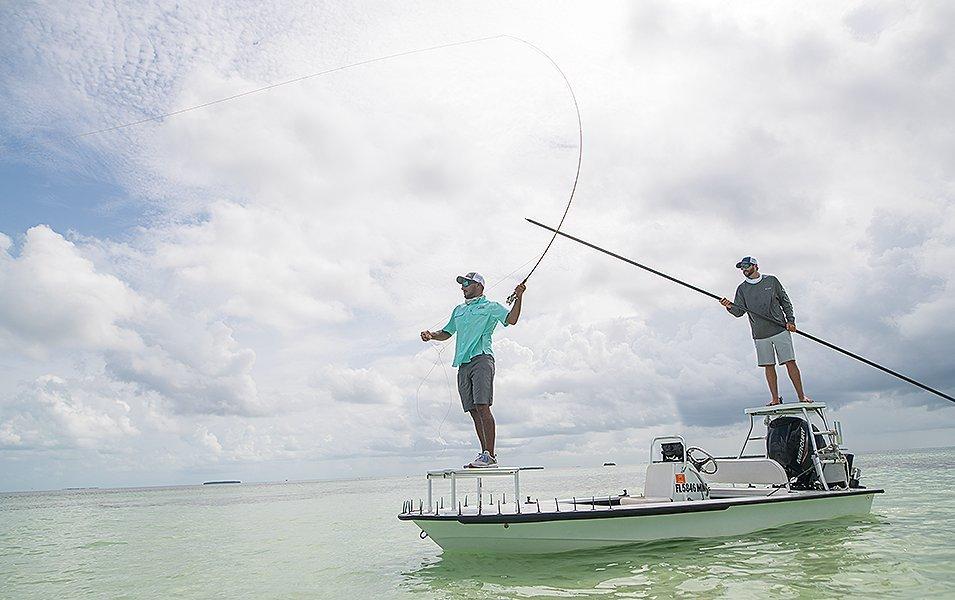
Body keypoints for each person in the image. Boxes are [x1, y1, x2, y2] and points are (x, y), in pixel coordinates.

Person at [420, 272, 526, 468]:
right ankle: (484, 454)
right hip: (463, 364)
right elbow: (446, 332)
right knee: (473, 410)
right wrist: (431, 335)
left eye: (467, 283)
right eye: (462, 284)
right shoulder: (458, 310)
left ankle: (490, 455)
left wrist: (519, 297)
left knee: (483, 405)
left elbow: (511, 319)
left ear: (479, 286)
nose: (463, 287)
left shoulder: (491, 307)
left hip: (482, 358)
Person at [719, 257, 812, 406]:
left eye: (746, 266)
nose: (744, 270)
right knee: (768, 365)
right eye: (741, 268)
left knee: (790, 362)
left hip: (780, 329)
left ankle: (802, 396)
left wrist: (791, 320)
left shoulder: (771, 281)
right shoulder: (742, 289)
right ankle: (775, 399)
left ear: (755, 266)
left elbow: (785, 301)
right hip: (760, 334)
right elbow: (738, 312)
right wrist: (728, 306)